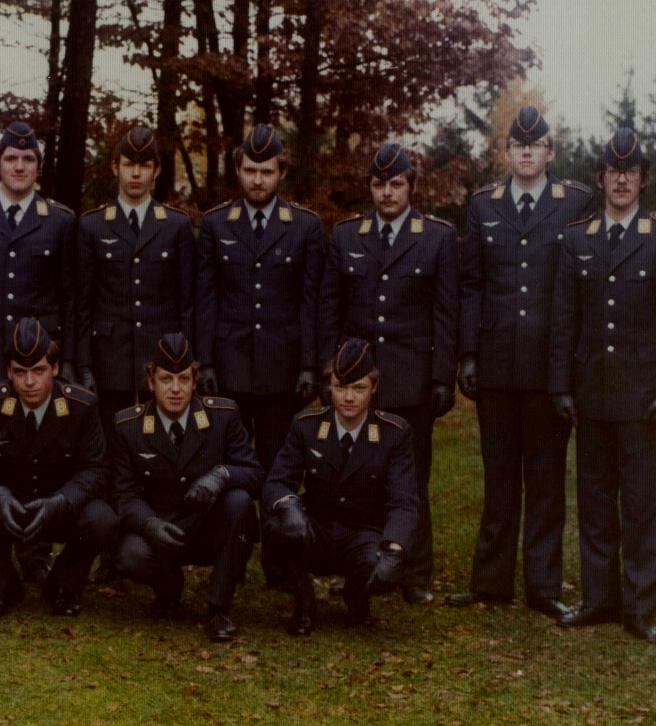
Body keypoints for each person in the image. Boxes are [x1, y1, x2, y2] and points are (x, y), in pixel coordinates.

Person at [549, 127, 656, 642]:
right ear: (600, 177)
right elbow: (564, 320)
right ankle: (598, 600)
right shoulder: (576, 239)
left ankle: (638, 607)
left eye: (630, 172)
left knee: (641, 505)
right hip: (591, 394)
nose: (621, 181)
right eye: (613, 172)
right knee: (593, 503)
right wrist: (560, 387)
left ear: (643, 180)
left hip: (642, 398)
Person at [446, 107, 593, 619]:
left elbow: (581, 287)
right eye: (518, 145)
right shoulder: (483, 205)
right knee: (499, 478)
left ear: (550, 152)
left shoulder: (575, 202)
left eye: (536, 145)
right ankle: (490, 582)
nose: (526, 153)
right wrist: (468, 353)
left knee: (546, 480)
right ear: (506, 153)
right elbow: (471, 284)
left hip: (550, 366)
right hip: (496, 364)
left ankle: (543, 586)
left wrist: (572, 366)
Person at [317, 142, 458, 604]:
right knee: (355, 477)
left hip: (410, 376)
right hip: (356, 379)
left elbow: (445, 314)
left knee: (411, 479)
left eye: (396, 184)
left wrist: (442, 377)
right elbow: (330, 308)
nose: (387, 193)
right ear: (370, 188)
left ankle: (413, 574)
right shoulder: (347, 235)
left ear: (411, 187)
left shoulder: (436, 237)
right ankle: (358, 565)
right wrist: (329, 370)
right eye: (379, 185)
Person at [194, 123, 324, 586]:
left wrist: (309, 364)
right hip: (227, 367)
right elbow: (205, 298)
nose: (257, 180)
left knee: (275, 469)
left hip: (279, 369)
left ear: (281, 173)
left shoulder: (305, 226)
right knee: (224, 467)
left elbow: (311, 301)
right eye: (250, 170)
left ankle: (278, 561)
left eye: (267, 171)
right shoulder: (215, 224)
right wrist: (205, 362)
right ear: (238, 170)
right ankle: (225, 557)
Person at [0, 317, 117, 618]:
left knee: (101, 518)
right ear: (8, 372)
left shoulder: (81, 406)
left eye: (38, 371)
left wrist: (62, 501)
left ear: (54, 368)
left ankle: (63, 585)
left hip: (58, 506)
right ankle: (3, 586)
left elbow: (96, 468)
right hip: (8, 506)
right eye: (20, 372)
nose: (29, 382)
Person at [262, 338, 418, 635]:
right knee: (278, 526)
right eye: (340, 387)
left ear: (373, 387)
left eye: (358, 388)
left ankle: (357, 598)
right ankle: (303, 603)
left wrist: (395, 550)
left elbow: (404, 501)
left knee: (378, 562)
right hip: (316, 529)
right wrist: (290, 508)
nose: (348, 397)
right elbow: (277, 482)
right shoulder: (306, 425)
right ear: (329, 388)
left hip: (363, 533)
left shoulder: (394, 434)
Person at [111, 333, 260, 642]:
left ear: (195, 382)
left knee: (240, 502)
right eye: (166, 379)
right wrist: (149, 523)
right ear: (151, 382)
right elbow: (124, 494)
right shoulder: (128, 426)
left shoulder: (223, 416)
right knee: (130, 554)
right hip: (161, 528)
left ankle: (218, 608)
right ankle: (169, 590)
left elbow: (254, 473)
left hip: (207, 526)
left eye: (183, 379)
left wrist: (221, 475)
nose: (176, 389)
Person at [75, 125, 196, 428]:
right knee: (111, 442)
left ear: (157, 171)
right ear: (115, 167)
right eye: (129, 165)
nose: (136, 174)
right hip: (109, 360)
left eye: (145, 166)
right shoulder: (92, 226)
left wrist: (189, 362)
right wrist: (84, 364)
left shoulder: (176, 226)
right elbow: (83, 303)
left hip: (163, 361)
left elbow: (188, 303)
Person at [0, 122, 78, 393]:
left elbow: (69, 298)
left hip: (40, 359)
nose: (19, 167)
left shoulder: (60, 221)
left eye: (28, 159)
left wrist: (68, 360)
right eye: (11, 158)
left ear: (38, 167)